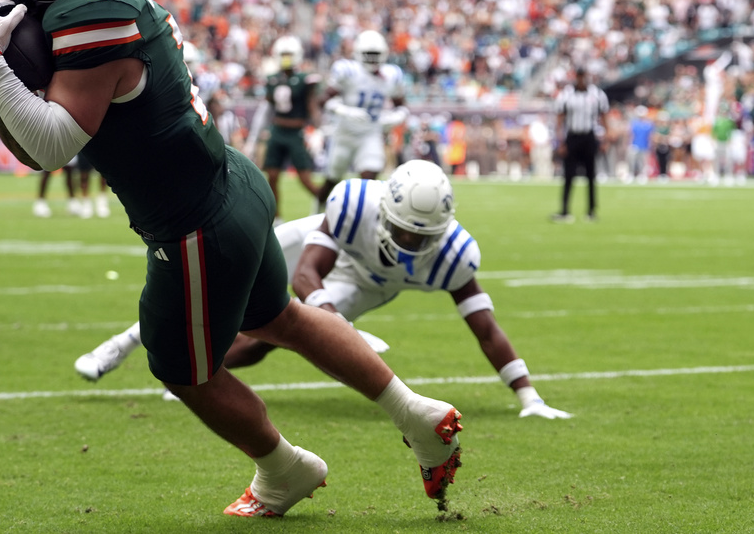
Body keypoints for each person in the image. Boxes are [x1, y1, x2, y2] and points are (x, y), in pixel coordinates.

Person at [0, 0, 463, 517]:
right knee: (283, 319)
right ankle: (419, 415)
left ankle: (284, 468)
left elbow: (52, 144)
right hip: (231, 187)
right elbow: (37, 142)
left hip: (193, 224)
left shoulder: (89, 17)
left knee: (181, 369)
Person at [77, 160, 571, 420]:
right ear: (386, 212)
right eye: (404, 231)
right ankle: (121, 343)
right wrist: (337, 321)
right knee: (215, 282)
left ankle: (199, 383)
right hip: (327, 246)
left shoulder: (453, 255)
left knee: (267, 337)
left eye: (423, 237)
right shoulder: (355, 204)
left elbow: (485, 328)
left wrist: (527, 396)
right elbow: (307, 274)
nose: (412, 244)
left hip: (369, 285)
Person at [316, 29, 408, 204]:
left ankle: (362, 220)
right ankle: (318, 211)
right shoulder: (348, 71)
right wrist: (345, 110)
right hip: (344, 134)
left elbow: (402, 106)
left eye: (376, 55)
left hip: (370, 134)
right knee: (332, 179)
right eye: (368, 54)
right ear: (358, 53)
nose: (373, 59)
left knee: (370, 181)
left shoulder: (391, 75)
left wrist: (396, 117)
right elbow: (323, 101)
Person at [260, 35, 322, 223]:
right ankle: (276, 217)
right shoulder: (272, 79)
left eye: (289, 54)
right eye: (283, 54)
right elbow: (268, 108)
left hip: (296, 132)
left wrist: (319, 129)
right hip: (277, 130)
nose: (286, 58)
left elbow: (312, 106)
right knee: (272, 175)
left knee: (304, 178)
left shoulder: (305, 79)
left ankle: (323, 201)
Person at [553, 67, 609, 222]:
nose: (581, 80)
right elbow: (560, 119)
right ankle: (565, 210)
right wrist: (561, 141)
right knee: (568, 175)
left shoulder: (597, 94)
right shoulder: (566, 95)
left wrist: (605, 138)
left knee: (591, 175)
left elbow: (604, 116)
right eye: (579, 77)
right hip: (572, 136)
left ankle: (591, 211)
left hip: (589, 136)